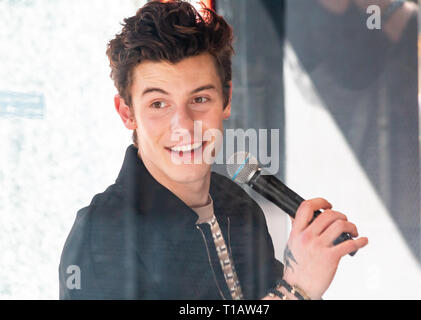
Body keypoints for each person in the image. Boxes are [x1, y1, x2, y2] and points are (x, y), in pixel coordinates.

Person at [58, 0, 368, 300]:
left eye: (200, 99)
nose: (184, 124)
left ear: (226, 99)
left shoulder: (240, 209)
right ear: (127, 113)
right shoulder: (101, 237)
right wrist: (297, 289)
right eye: (159, 104)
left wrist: (305, 269)